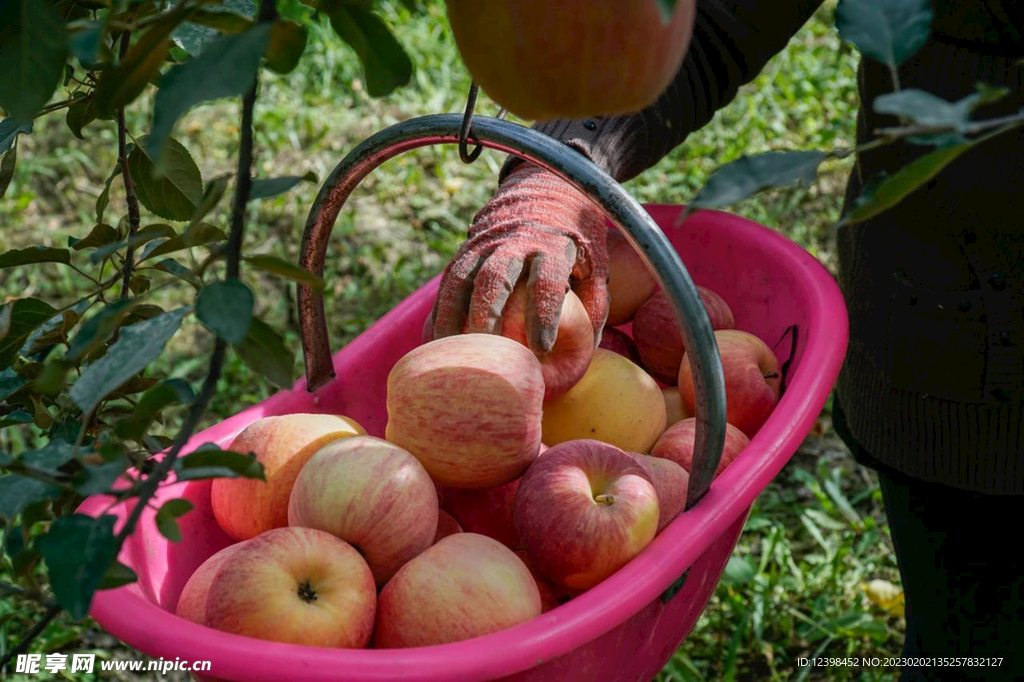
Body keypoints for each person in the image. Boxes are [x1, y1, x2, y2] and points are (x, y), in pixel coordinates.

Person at [427, 1, 1024, 680]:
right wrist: (562, 168)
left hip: (960, 320)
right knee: (974, 653)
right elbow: (714, 15)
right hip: (970, 352)